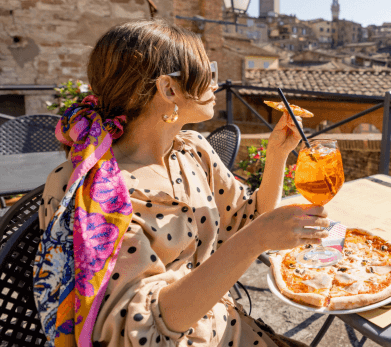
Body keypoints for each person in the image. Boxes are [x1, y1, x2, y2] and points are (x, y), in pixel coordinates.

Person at [33, 19, 329, 347]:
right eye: (208, 72)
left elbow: (247, 218)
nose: (215, 84)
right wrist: (253, 242)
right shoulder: (94, 192)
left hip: (228, 327)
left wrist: (277, 154)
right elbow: (139, 329)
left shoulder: (193, 151)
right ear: (169, 89)